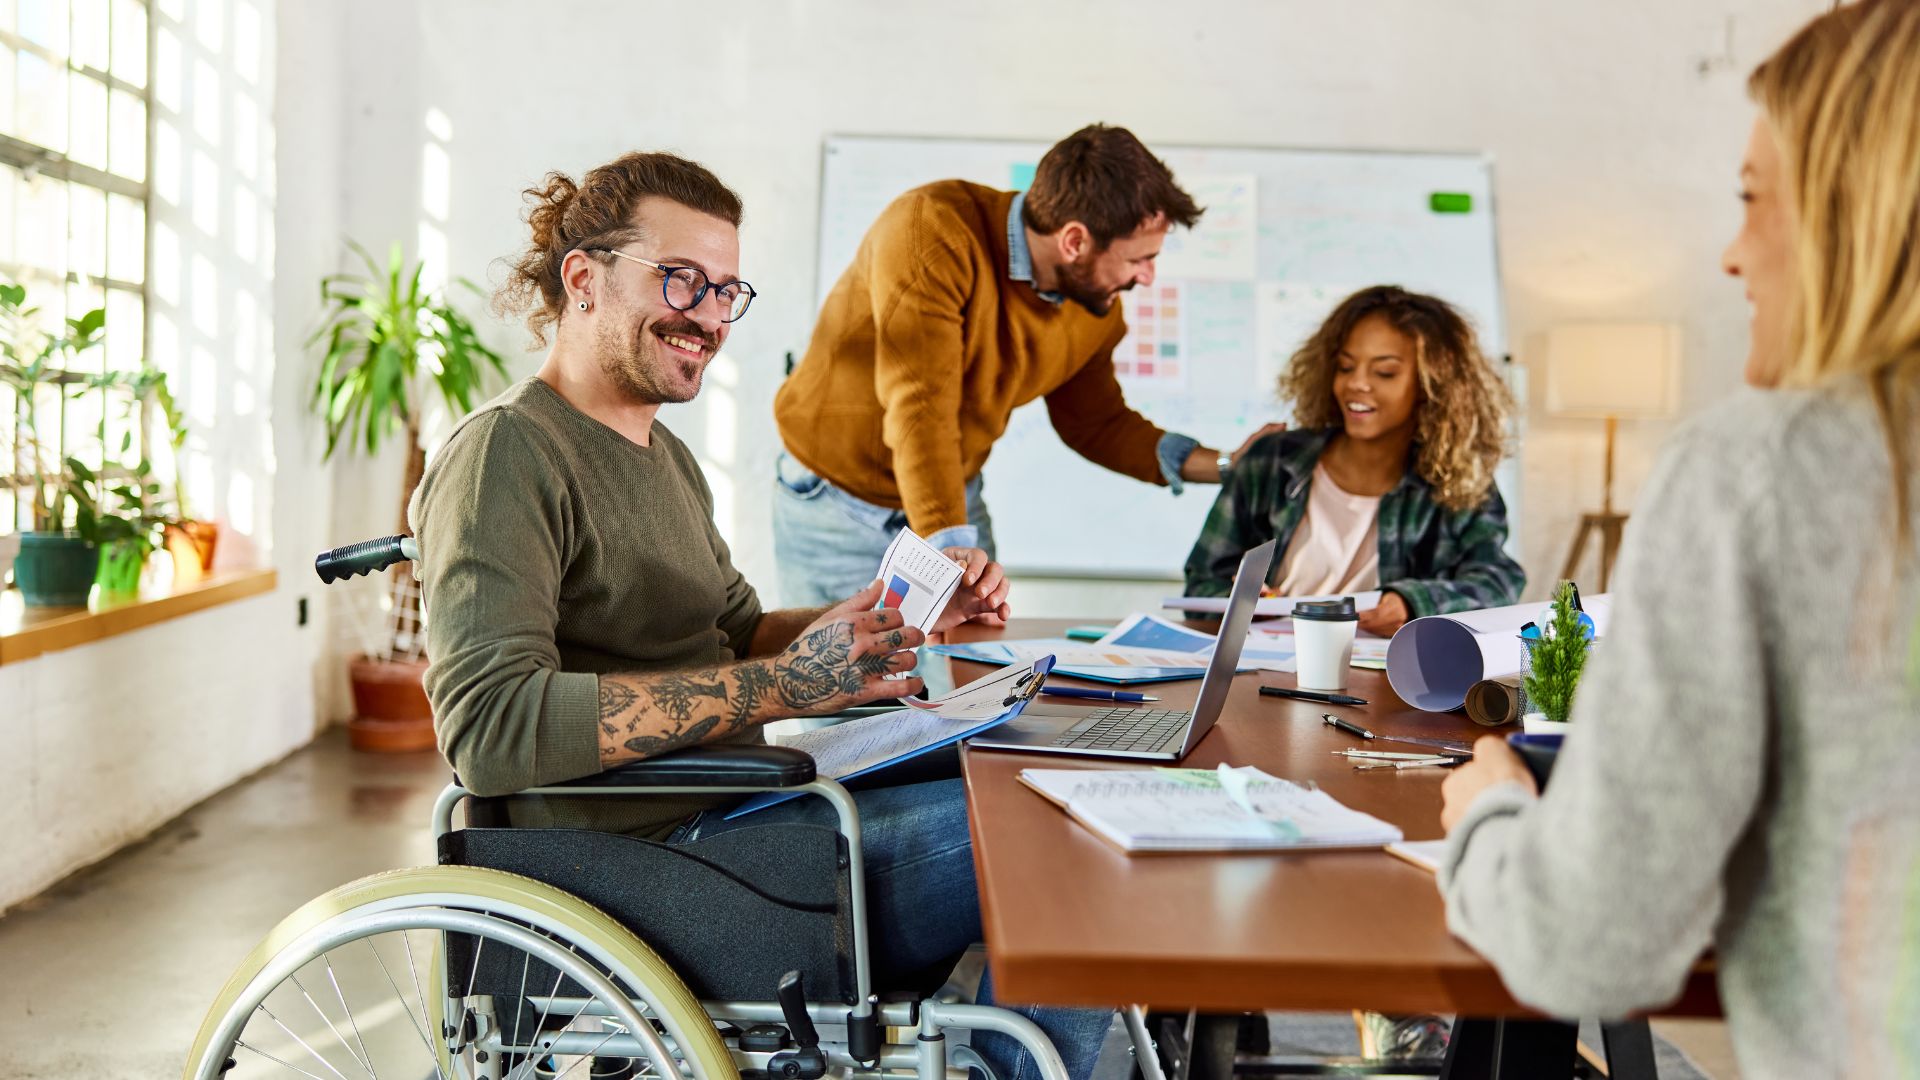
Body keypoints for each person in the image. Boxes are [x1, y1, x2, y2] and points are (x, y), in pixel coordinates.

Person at [410, 151, 1110, 1080]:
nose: (707, 315)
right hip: (653, 865)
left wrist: (882, 621)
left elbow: (738, 630)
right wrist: (782, 686)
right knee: (1074, 847)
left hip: (749, 806)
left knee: (1053, 772)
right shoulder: (507, 453)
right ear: (583, 277)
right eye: (681, 280)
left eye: (725, 290)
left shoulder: (664, 457)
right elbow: (492, 732)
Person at [1438, 3, 1920, 1076]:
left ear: (1864, 211)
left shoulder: (1761, 472)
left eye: (1755, 201)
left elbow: (1589, 945)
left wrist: (1489, 819)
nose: (1734, 254)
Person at [772, 123, 1284, 605]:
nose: (1148, 276)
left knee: (972, 690)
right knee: (844, 689)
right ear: (1075, 240)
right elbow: (921, 405)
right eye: (1138, 259)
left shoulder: (1093, 304)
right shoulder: (933, 231)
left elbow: (1098, 422)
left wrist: (1227, 467)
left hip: (952, 496)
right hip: (838, 505)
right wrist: (950, 549)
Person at [1183, 286, 1522, 638]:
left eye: (1385, 373)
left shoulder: (1459, 479)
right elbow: (1201, 587)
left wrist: (1413, 603)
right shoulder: (1270, 461)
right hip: (1262, 672)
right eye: (1345, 367)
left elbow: (1499, 583)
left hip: (1387, 683)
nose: (1357, 383)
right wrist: (1247, 603)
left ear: (1431, 385)